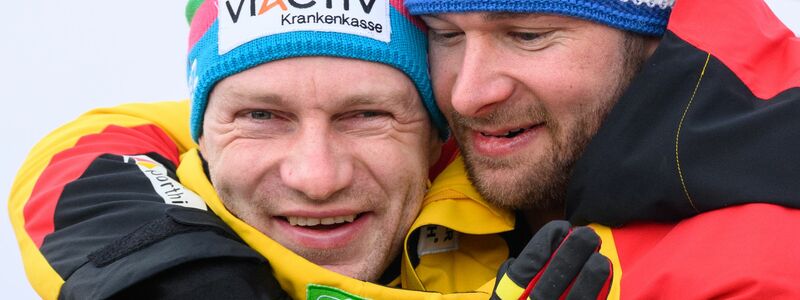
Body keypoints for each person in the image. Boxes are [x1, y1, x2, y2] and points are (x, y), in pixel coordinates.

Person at [9, 0, 607, 299]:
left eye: (367, 116)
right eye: (262, 116)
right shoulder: (128, 224)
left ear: (436, 136)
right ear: (201, 137)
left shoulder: (547, 223)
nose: (317, 178)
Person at [403, 0, 800, 297]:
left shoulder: (762, 271)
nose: (466, 96)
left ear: (652, 38)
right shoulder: (398, 190)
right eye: (446, 34)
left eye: (528, 35)